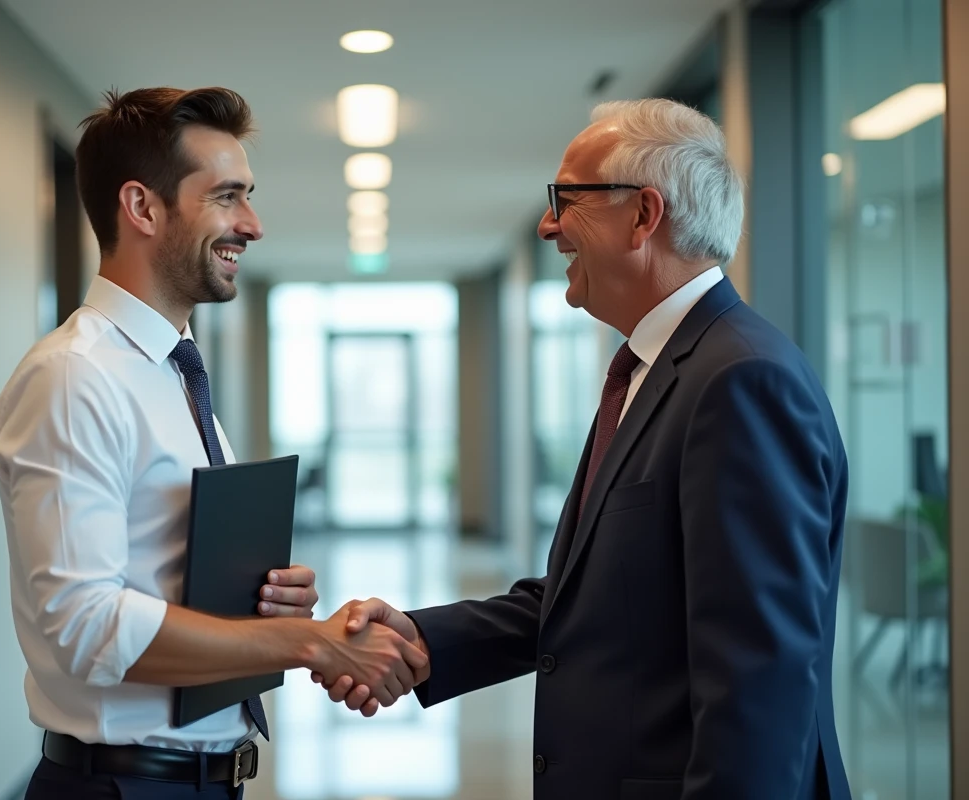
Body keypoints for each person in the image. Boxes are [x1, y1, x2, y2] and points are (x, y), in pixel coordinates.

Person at [320, 98, 853, 800]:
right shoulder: (655, 372)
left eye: (565, 199)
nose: (548, 225)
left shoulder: (739, 381)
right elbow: (593, 599)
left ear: (643, 215)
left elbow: (759, 683)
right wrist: (423, 641)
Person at [0, 86, 427, 800]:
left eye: (247, 195)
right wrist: (306, 642)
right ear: (143, 208)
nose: (251, 224)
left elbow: (153, 577)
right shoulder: (75, 376)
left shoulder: (173, 372)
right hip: (124, 787)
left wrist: (263, 605)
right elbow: (84, 627)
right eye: (226, 197)